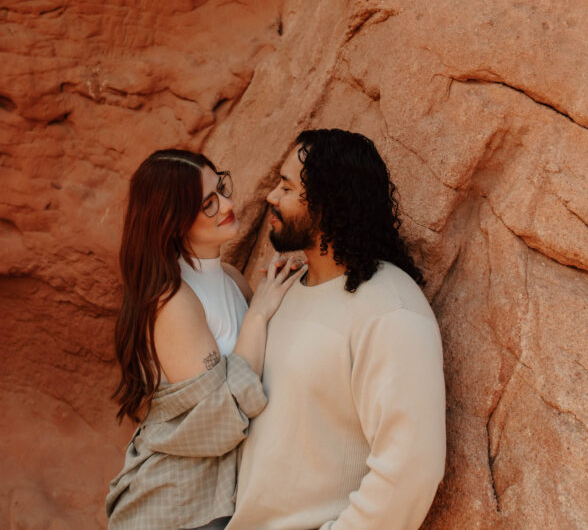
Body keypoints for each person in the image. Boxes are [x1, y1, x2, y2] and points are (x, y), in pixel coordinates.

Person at [228, 129, 447, 530]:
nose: (271, 197)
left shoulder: (390, 310)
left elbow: (411, 468)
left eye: (286, 187)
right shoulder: (288, 288)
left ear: (327, 206)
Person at [105, 149, 307, 530]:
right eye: (208, 204)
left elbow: (264, 362)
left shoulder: (229, 276)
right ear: (173, 221)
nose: (228, 205)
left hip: (223, 503)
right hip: (175, 508)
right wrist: (260, 310)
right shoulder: (173, 301)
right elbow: (220, 420)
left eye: (222, 189)